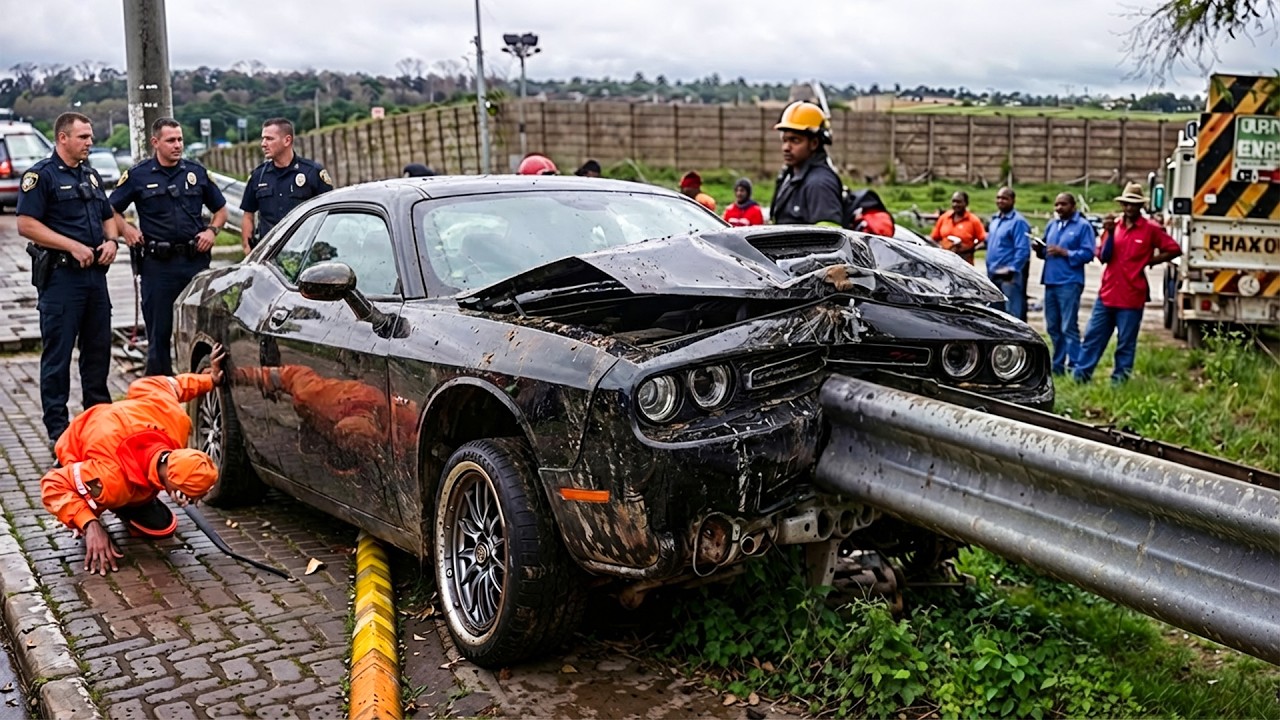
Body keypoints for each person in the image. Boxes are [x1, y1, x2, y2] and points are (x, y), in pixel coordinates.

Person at [41, 345, 227, 575]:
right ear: (173, 484)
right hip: (80, 447)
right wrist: (89, 524)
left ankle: (121, 507)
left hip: (119, 440)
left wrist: (210, 379)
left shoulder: (174, 423)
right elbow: (52, 485)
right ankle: (91, 509)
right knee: (102, 496)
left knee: (162, 527)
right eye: (193, 497)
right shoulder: (111, 478)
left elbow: (162, 385)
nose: (195, 504)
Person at [15, 112, 117, 448]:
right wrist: (71, 245)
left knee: (99, 352)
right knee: (57, 357)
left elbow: (108, 216)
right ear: (62, 138)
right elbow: (26, 224)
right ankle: (58, 432)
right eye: (83, 137)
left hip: (94, 279)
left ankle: (99, 424)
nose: (90, 142)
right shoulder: (41, 176)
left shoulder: (90, 175)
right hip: (61, 279)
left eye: (90, 137)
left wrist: (112, 241)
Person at [111, 118, 228, 377]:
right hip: (158, 266)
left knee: (203, 330)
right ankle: (160, 395)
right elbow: (109, 209)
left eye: (180, 140)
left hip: (194, 262)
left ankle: (202, 387)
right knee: (159, 336)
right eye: (171, 140)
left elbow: (220, 210)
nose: (178, 145)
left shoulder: (196, 173)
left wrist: (212, 230)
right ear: (155, 142)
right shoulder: (138, 176)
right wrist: (126, 229)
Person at [1073, 183, 1181, 384]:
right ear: (1122, 205)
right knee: (1093, 338)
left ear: (1140, 206)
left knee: (1126, 343)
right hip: (1107, 294)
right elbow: (1102, 256)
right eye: (1126, 204)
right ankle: (1080, 377)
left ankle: (1119, 381)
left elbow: (1174, 249)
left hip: (1132, 296)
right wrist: (1110, 233)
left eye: (1134, 204)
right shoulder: (1114, 227)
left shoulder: (1151, 229)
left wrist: (1149, 261)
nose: (1129, 208)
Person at [240, 118, 333, 253]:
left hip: (304, 252)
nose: (263, 144)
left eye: (269, 139)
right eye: (263, 139)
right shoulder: (258, 176)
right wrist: (248, 250)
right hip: (269, 254)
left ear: (287, 140)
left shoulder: (311, 172)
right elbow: (248, 215)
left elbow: (329, 213)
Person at [1039, 193, 1096, 375]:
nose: (1059, 208)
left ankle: (1076, 366)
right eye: (1056, 205)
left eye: (1063, 204)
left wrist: (1065, 252)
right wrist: (1039, 249)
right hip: (1051, 280)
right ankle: (1057, 365)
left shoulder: (1083, 227)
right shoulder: (1052, 225)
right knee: (1053, 326)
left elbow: (1088, 253)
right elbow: (1045, 251)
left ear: (1073, 206)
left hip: (1070, 282)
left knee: (1068, 326)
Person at [768, 101, 843, 227]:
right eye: (785, 140)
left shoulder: (820, 183)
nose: (786, 147)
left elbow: (829, 240)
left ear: (814, 143)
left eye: (795, 140)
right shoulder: (789, 176)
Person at [986, 187, 1032, 320]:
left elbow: (1023, 249)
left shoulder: (1018, 222)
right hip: (993, 274)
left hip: (1009, 277)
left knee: (1012, 314)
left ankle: (1016, 341)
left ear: (1013, 200)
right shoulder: (995, 220)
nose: (1001, 201)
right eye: (998, 198)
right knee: (994, 313)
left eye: (1005, 198)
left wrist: (1012, 269)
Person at [931, 191, 987, 264]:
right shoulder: (944, 218)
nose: (955, 204)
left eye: (959, 202)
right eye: (953, 201)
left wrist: (970, 249)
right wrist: (941, 249)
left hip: (965, 262)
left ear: (966, 203)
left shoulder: (973, 220)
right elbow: (933, 238)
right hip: (945, 261)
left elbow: (983, 241)